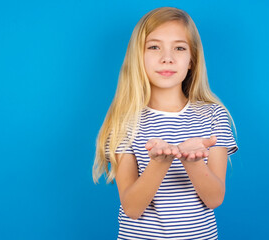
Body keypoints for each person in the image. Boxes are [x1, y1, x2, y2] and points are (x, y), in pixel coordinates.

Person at [93, 6, 238, 240]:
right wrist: (159, 163)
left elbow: (215, 198)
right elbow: (132, 208)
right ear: (138, 57)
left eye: (179, 48)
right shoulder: (124, 122)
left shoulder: (214, 116)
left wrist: (193, 162)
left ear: (192, 59)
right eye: (153, 47)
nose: (167, 58)